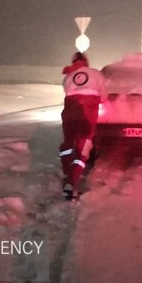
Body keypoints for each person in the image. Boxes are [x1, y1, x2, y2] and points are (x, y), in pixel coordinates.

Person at [59, 52, 107, 199]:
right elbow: (104, 97)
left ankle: (67, 174)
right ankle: (72, 182)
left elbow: (67, 93)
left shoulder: (68, 77)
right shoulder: (96, 75)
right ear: (86, 62)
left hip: (69, 113)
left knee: (67, 145)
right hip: (86, 115)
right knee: (83, 147)